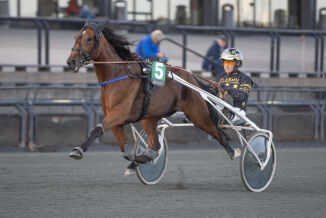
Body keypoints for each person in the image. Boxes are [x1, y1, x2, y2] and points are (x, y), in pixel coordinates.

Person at [214, 48, 253, 125]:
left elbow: (242, 97)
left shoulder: (245, 79)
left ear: (238, 63)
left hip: (237, 113)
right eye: (225, 62)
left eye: (229, 62)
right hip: (219, 110)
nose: (226, 65)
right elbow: (211, 92)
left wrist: (227, 88)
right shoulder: (220, 77)